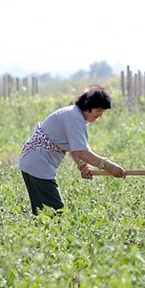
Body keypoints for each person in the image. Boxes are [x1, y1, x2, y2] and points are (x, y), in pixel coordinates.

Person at [19, 85, 126, 214]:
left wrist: (81, 166)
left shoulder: (74, 115)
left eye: (102, 111)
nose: (100, 115)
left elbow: (75, 150)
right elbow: (82, 152)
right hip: (38, 163)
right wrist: (108, 166)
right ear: (88, 106)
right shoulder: (74, 117)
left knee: (43, 214)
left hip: (33, 161)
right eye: (98, 110)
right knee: (54, 214)